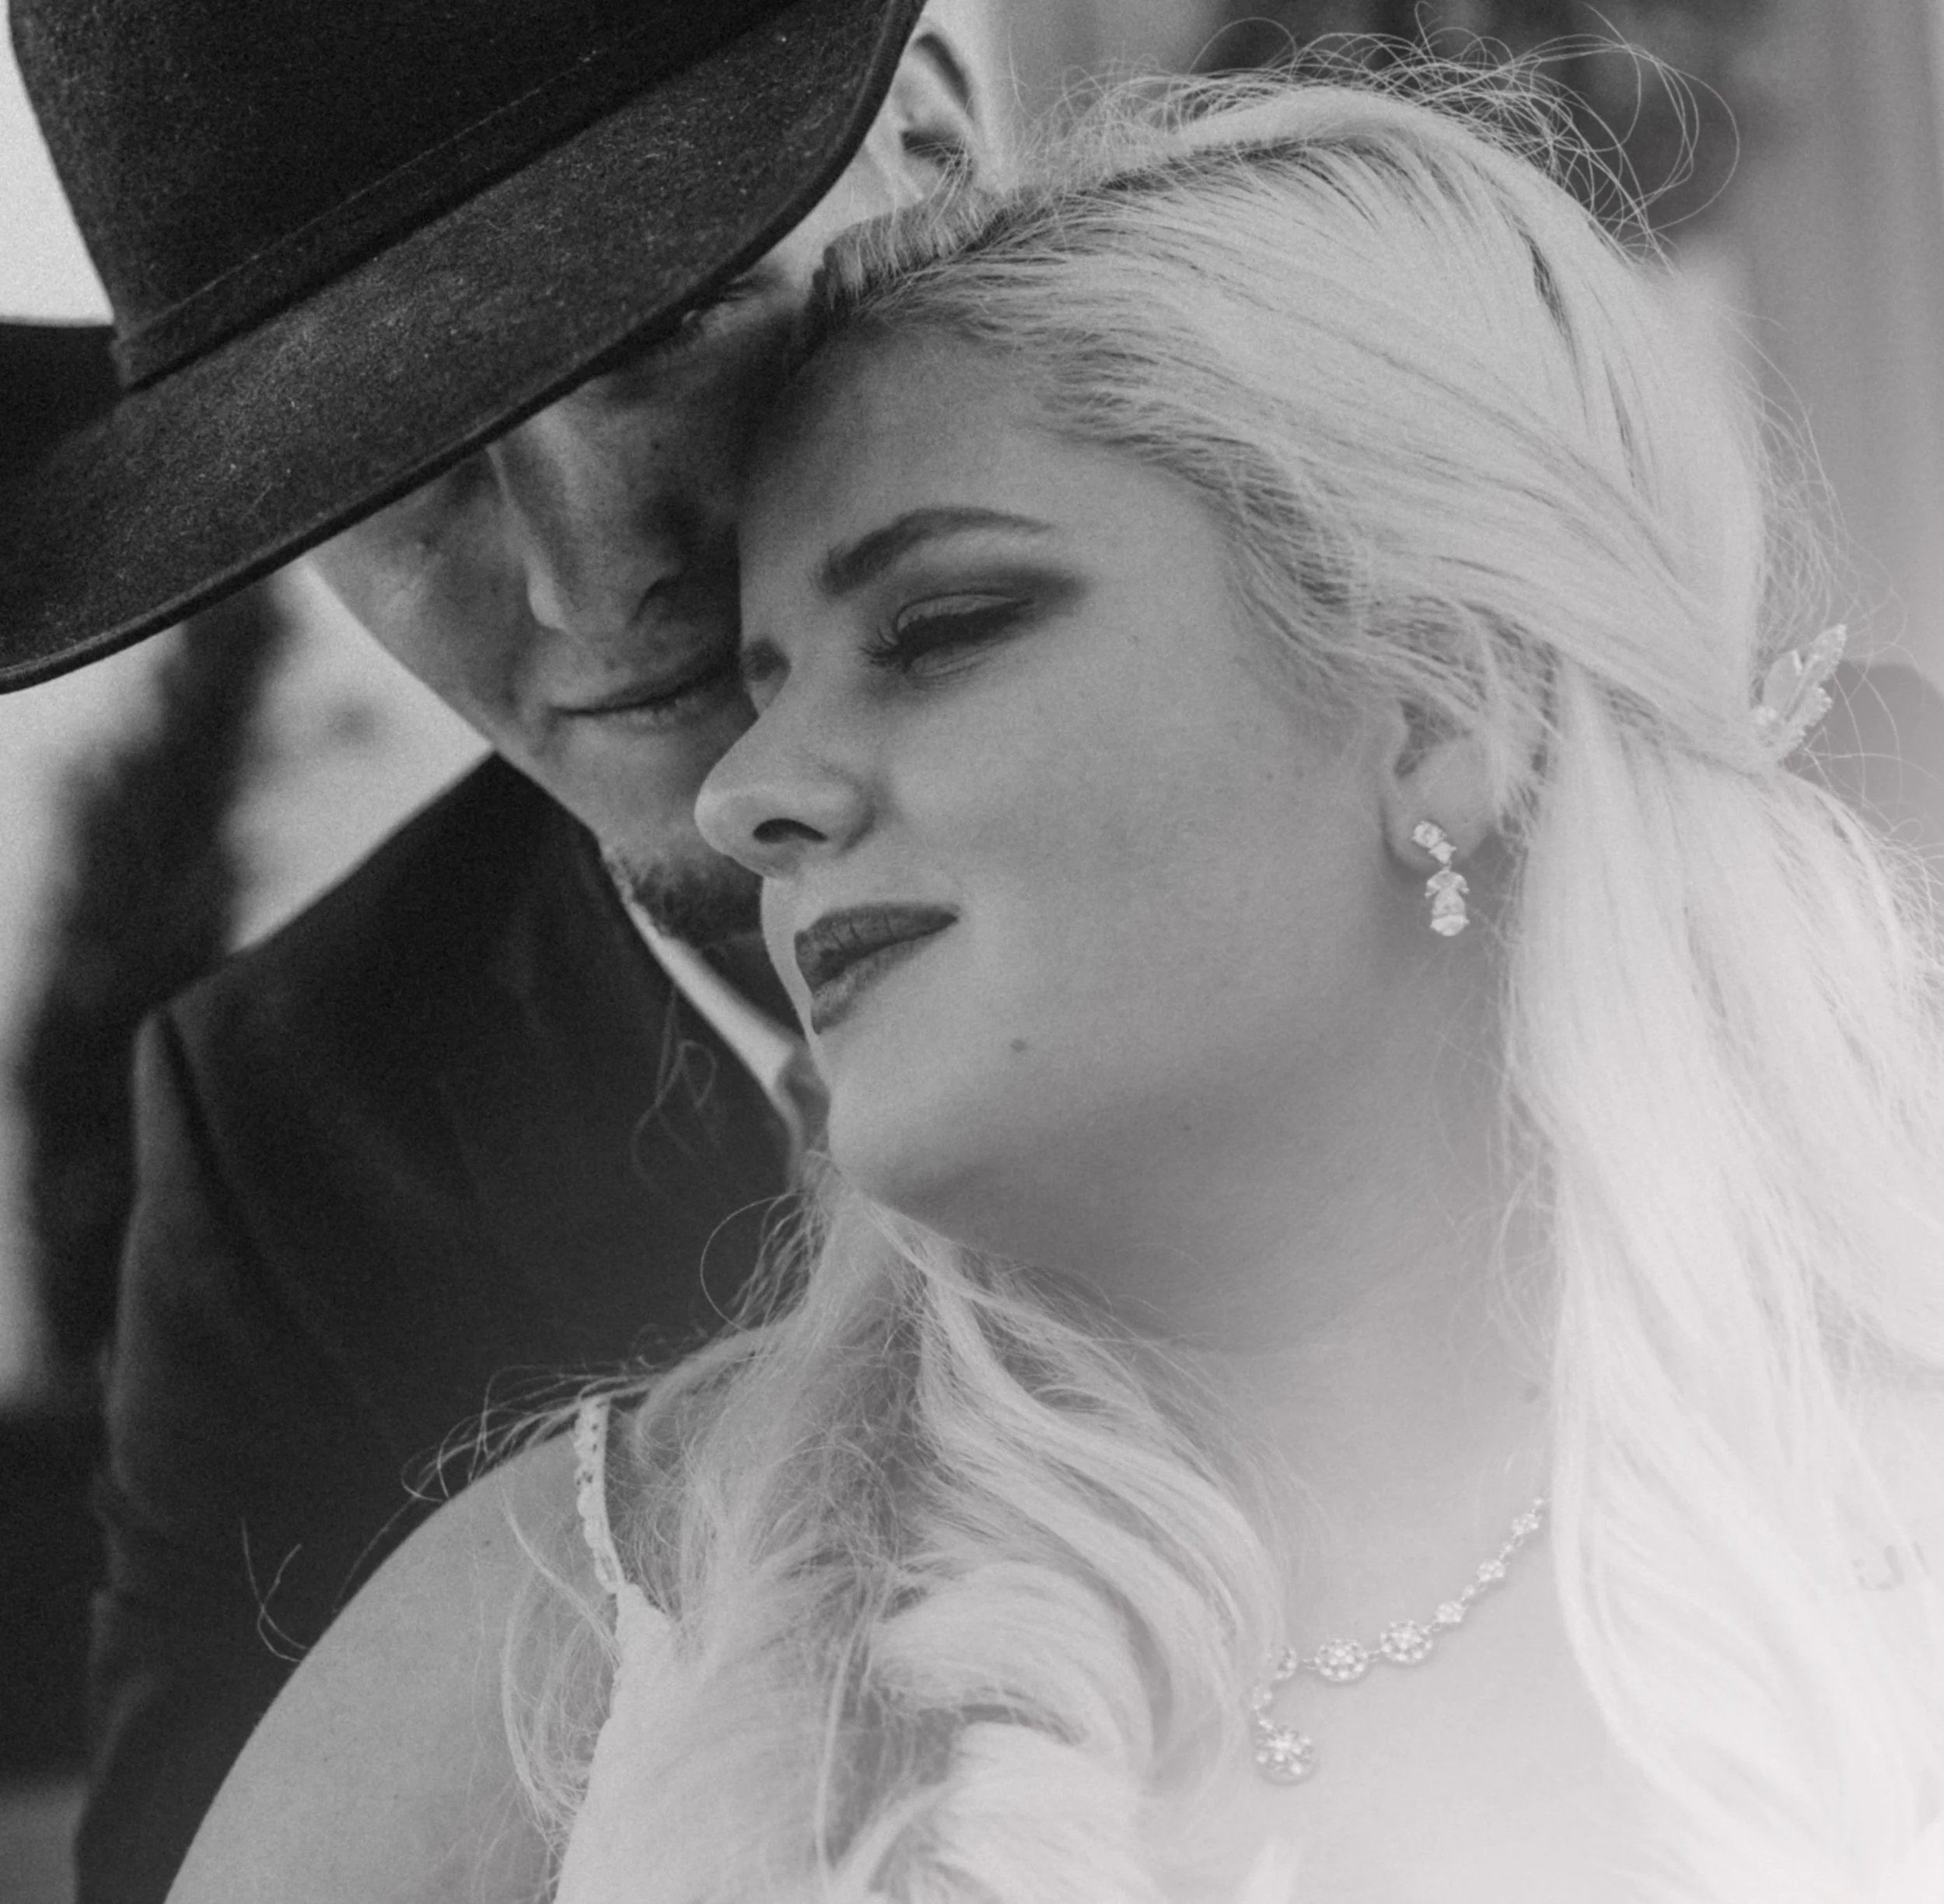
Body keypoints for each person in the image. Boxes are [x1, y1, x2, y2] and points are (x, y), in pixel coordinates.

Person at [158, 60, 1944, 1904]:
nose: (746, 786)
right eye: (402, 467)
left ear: (1440, 695)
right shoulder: (542, 1620)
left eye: (939, 630)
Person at [0, 2, 998, 1897]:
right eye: (386, 461)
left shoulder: (1485, 817)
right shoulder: (290, 1138)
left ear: (935, 151)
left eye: (668, 326)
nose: (587, 582)